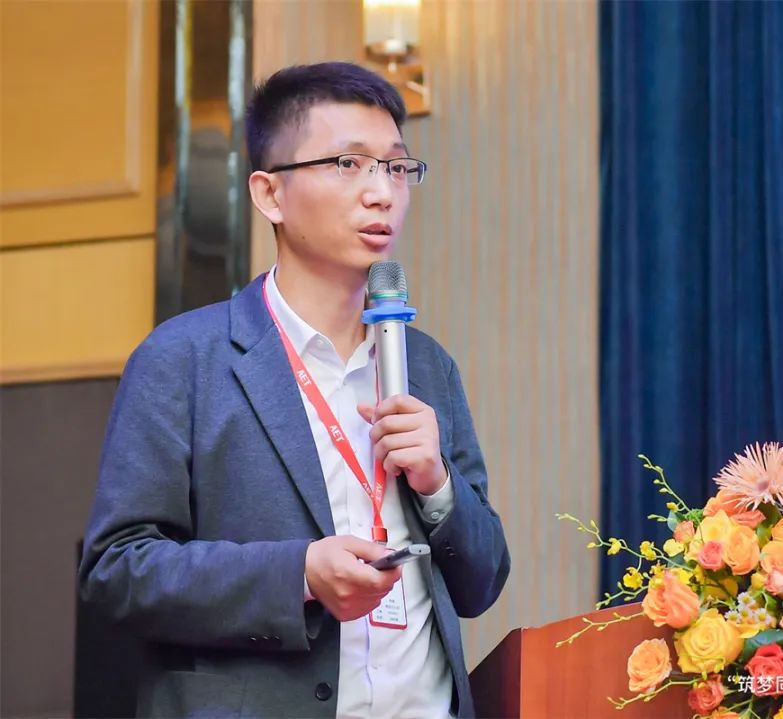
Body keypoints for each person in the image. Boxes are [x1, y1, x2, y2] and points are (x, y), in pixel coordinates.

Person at [79, 61, 511, 718]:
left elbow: (482, 583)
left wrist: (438, 485)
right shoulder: (184, 359)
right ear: (269, 194)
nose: (381, 193)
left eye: (397, 167)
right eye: (348, 164)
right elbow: (117, 571)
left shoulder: (427, 366)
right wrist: (298, 575)